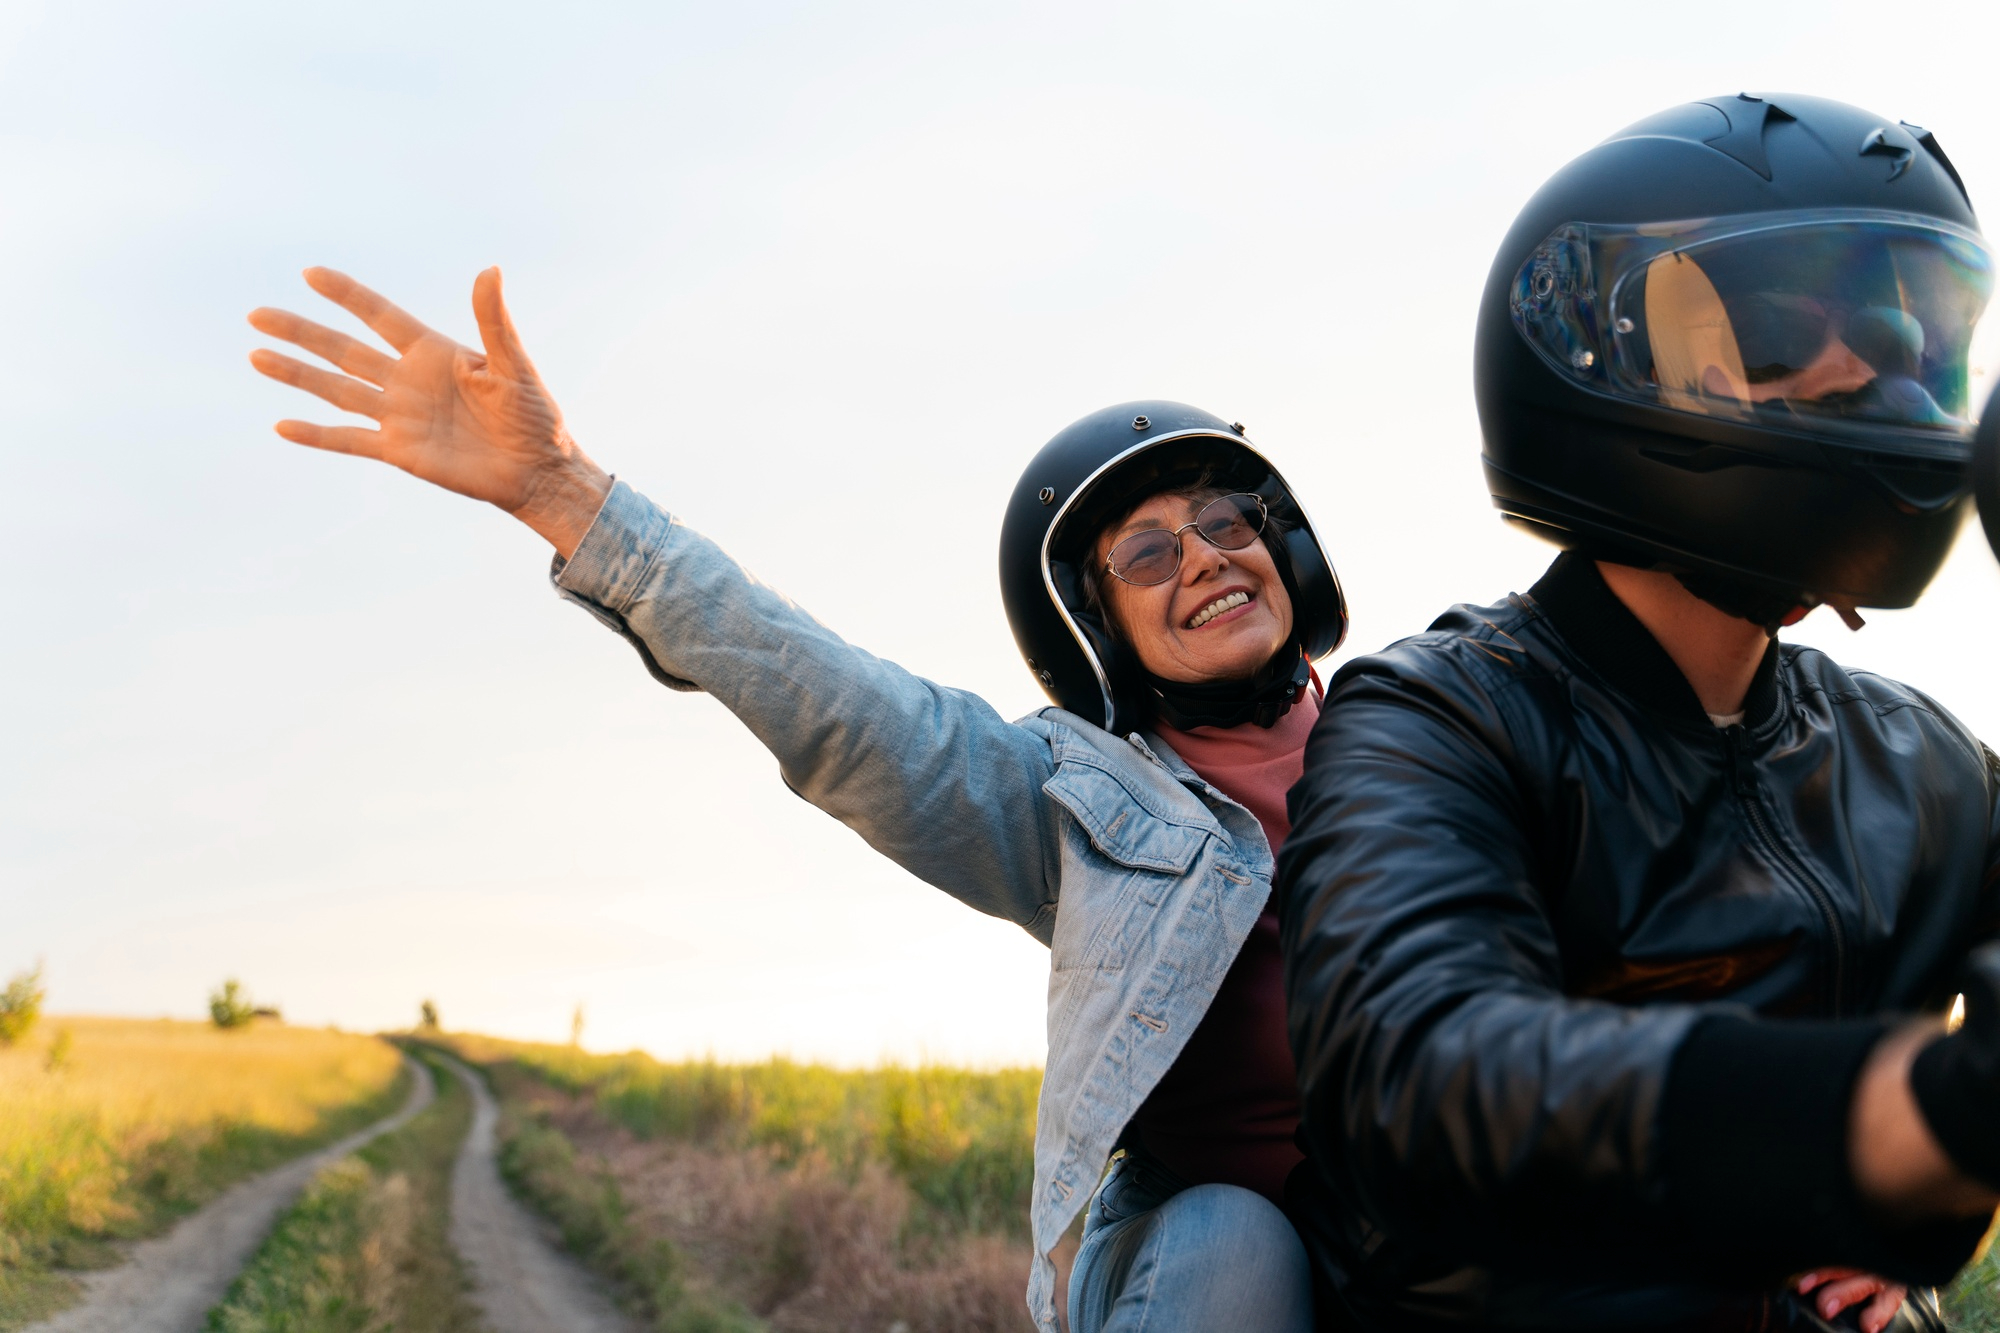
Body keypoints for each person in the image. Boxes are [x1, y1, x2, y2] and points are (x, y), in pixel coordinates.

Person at [246, 274, 1347, 1332]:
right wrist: (560, 490)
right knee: (1227, 1238)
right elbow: (852, 713)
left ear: (1282, 544)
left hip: (1426, 1234)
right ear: (1095, 625)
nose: (1202, 557)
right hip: (1208, 1273)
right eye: (1146, 552)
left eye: (1225, 521)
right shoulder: (1080, 802)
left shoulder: (1431, 735)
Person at [1276, 95, 2000, 1332]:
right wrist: (1886, 1125)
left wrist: (1916, 1213)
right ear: (1594, 348)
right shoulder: (1438, 719)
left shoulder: (1915, 760)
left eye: (1907, 336)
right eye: (1777, 325)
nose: (1864, 372)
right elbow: (1418, 1069)